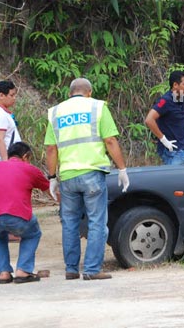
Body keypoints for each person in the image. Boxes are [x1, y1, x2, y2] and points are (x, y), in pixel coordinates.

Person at [45, 77, 129, 281]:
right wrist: (122, 169)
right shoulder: (97, 107)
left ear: (70, 93)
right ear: (89, 92)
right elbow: (110, 140)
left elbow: (50, 148)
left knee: (70, 223)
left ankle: (71, 269)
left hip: (68, 177)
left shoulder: (56, 111)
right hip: (92, 173)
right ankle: (92, 269)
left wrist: (52, 177)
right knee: (97, 222)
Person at [0, 142, 52, 284]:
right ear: (25, 156)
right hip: (16, 215)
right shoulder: (30, 169)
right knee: (33, 233)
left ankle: (4, 273)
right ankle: (23, 271)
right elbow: (50, 191)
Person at [144, 70, 184, 165]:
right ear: (175, 85)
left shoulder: (180, 99)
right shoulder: (165, 101)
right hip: (173, 153)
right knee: (174, 180)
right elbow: (149, 120)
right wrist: (163, 140)